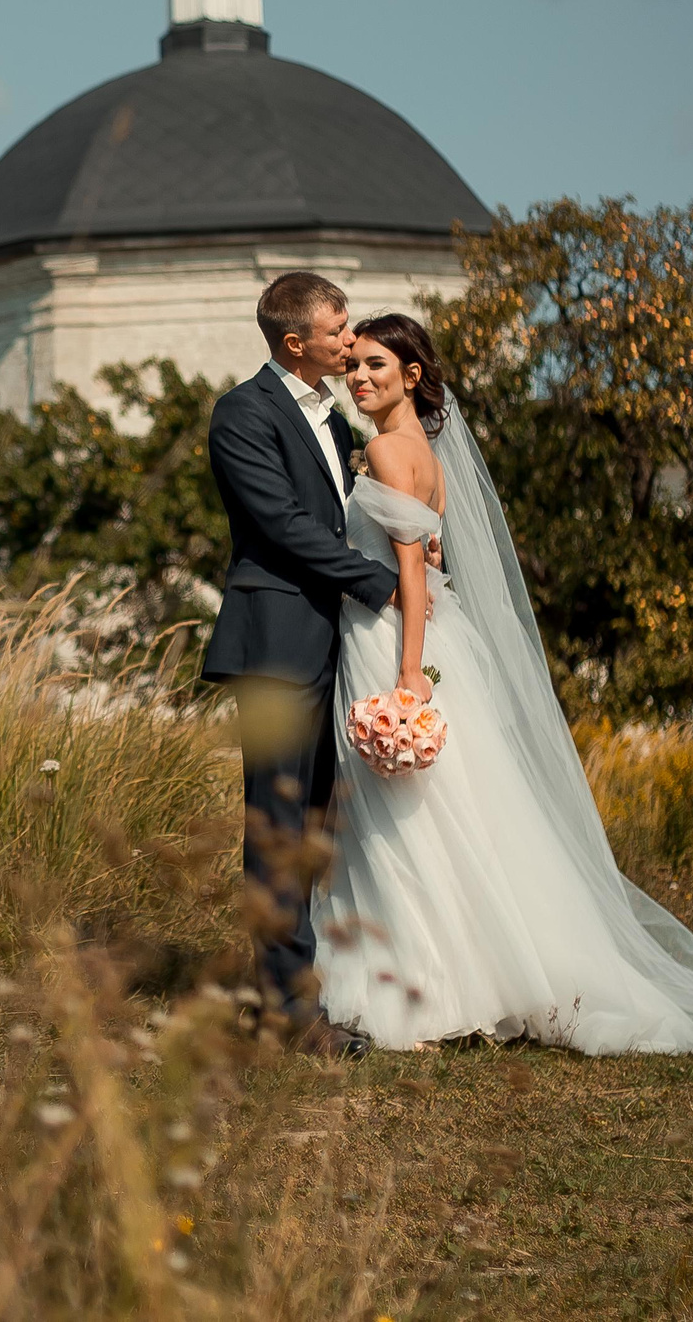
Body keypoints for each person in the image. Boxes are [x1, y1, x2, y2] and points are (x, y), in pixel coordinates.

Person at [307, 311, 693, 1063]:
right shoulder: (427, 453)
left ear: (411, 376)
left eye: (376, 365)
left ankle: (426, 986)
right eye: (354, 367)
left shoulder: (383, 449)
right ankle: (473, 976)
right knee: (453, 813)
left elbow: (413, 573)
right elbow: (435, 556)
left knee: (403, 819)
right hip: (437, 639)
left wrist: (408, 676)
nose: (359, 377)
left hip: (398, 645)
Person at [202, 273, 396, 1056]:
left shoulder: (337, 422)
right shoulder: (242, 414)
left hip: (332, 642)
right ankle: (289, 1015)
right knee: (279, 828)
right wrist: (375, 580)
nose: (350, 340)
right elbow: (280, 525)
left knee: (319, 823)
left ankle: (321, 983)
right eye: (338, 329)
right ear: (296, 342)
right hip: (276, 646)